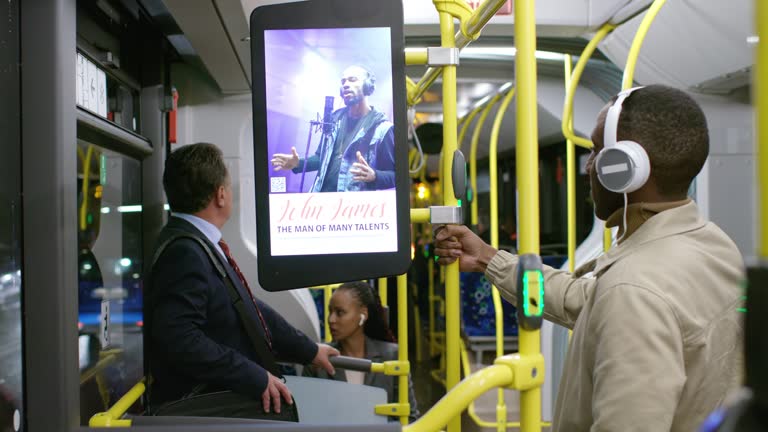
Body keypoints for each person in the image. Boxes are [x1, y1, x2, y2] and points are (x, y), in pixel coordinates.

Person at [433, 85, 745, 431]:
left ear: (625, 168)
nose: (589, 167)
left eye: (597, 151)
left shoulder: (633, 290)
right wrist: (489, 259)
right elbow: (581, 297)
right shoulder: (713, 244)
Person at [146, 142, 339, 418]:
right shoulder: (185, 252)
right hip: (211, 406)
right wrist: (252, 375)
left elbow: (247, 307)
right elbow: (180, 339)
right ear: (221, 195)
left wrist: (307, 350)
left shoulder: (197, 243)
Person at [302, 281, 419, 422]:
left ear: (363, 315)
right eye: (330, 312)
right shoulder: (317, 360)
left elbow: (410, 418)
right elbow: (307, 418)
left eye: (340, 312)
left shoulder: (392, 355)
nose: (331, 319)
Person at [271, 65, 395, 192]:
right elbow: (321, 159)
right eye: (343, 81)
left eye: (352, 80)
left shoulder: (382, 128)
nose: (346, 84)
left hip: (356, 208)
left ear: (367, 86)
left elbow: (395, 176)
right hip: (321, 201)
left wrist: (375, 176)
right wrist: (298, 164)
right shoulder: (333, 121)